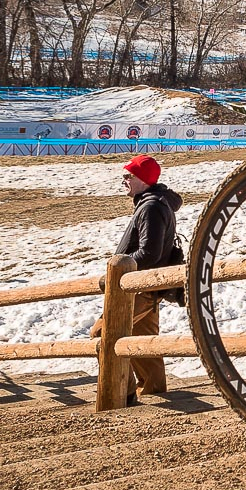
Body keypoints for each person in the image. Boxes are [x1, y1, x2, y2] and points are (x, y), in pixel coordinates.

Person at [90, 155, 182, 404]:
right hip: (148, 285)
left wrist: (118, 272)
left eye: (129, 176)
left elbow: (149, 252)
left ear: (143, 179)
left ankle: (124, 392)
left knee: (103, 334)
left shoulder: (151, 207)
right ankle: (154, 389)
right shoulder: (154, 203)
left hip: (138, 287)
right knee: (144, 342)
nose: (124, 180)